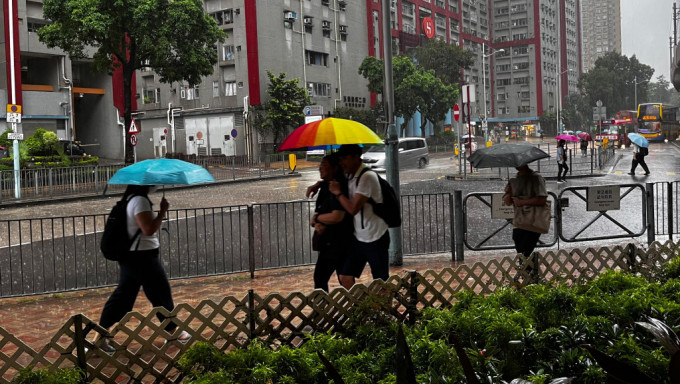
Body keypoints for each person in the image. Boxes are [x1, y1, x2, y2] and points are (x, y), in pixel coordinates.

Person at [96, 185, 189, 352]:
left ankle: (99, 338)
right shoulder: (139, 201)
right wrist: (162, 211)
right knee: (161, 293)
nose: (155, 185)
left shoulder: (131, 200)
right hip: (143, 258)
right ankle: (174, 333)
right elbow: (148, 229)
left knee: (123, 297)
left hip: (133, 257)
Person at [328, 144, 390, 289]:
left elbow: (353, 208)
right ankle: (361, 308)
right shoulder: (350, 175)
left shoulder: (367, 177)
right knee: (345, 277)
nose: (341, 162)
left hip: (376, 237)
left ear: (356, 158)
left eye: (345, 158)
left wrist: (338, 193)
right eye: (340, 158)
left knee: (380, 282)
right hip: (360, 238)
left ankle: (383, 311)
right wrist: (318, 185)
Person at [310, 154, 352, 292]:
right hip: (328, 242)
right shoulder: (325, 187)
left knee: (324, 278)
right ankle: (354, 309)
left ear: (335, 168)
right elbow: (317, 214)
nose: (320, 169)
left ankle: (323, 311)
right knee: (343, 278)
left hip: (338, 241)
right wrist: (317, 222)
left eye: (324, 166)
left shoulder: (338, 187)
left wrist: (317, 220)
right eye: (320, 165)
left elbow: (337, 216)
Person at [503, 164, 548, 281]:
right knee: (521, 250)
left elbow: (542, 199)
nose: (517, 166)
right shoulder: (514, 180)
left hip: (533, 221)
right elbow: (508, 202)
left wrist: (522, 202)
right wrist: (508, 193)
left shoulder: (536, 178)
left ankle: (530, 278)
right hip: (519, 221)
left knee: (526, 250)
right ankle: (530, 277)